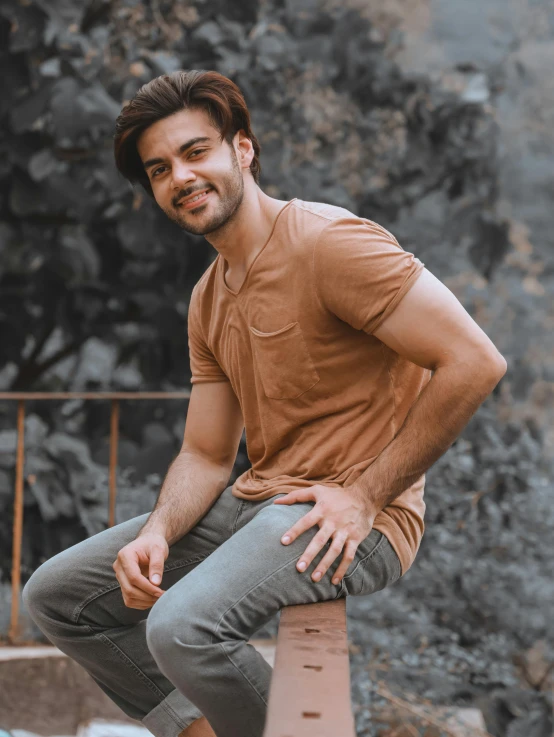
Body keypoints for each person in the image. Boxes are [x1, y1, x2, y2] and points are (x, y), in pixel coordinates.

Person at [23, 70, 507, 737]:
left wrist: (366, 496)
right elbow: (205, 452)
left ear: (242, 149)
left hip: (355, 516)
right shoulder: (209, 296)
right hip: (260, 500)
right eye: (159, 169)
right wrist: (156, 534)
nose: (180, 177)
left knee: (182, 626)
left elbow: (476, 360)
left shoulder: (329, 244)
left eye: (196, 152)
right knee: (58, 596)